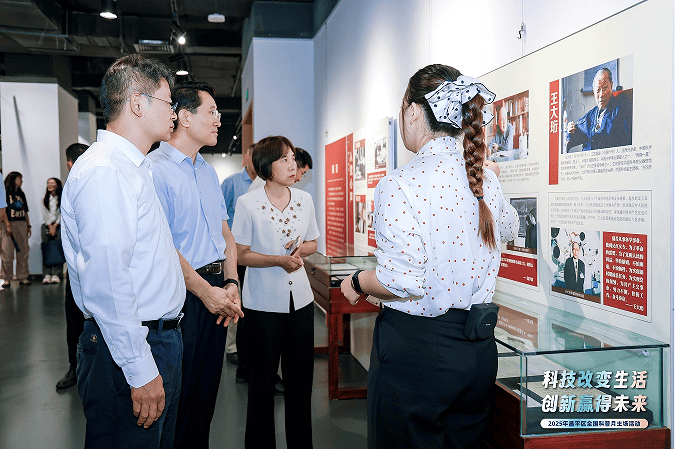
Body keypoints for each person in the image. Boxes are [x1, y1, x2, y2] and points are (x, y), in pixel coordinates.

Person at [61, 54, 242, 449]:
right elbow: (108, 284)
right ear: (137, 104)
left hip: (158, 336)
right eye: (167, 103)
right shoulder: (106, 172)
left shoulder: (133, 168)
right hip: (132, 346)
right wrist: (140, 370)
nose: (173, 113)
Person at [340, 64, 518, 448]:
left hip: (416, 354)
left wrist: (356, 281)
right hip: (478, 351)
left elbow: (400, 283)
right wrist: (495, 180)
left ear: (414, 112)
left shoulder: (400, 183)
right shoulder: (485, 179)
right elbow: (509, 230)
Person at [147, 81, 241, 449]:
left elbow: (225, 235)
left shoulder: (206, 170)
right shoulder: (155, 170)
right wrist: (206, 293)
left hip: (217, 290)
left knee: (206, 394)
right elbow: (164, 247)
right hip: (183, 295)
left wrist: (231, 284)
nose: (219, 120)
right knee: (179, 397)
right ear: (184, 117)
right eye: (212, 112)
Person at [232, 136, 320, 449]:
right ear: (267, 166)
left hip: (301, 303)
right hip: (262, 305)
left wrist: (299, 250)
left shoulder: (304, 200)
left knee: (300, 384)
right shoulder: (248, 203)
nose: (293, 164)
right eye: (284, 159)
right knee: (262, 383)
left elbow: (313, 242)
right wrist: (278, 260)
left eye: (293, 158)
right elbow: (241, 254)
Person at [221, 143, 256, 382]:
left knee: (249, 303)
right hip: (235, 252)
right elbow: (220, 217)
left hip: (254, 252)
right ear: (246, 158)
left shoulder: (263, 183)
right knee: (236, 298)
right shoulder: (232, 183)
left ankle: (244, 353)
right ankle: (232, 349)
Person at [55, 143, 88, 390]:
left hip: (99, 265)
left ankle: (90, 368)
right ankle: (75, 366)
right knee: (75, 319)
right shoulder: (70, 188)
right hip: (77, 268)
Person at [566, 67, 632, 152]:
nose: (601, 95)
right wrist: (571, 130)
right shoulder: (591, 115)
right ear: (594, 91)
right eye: (597, 90)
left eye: (604, 88)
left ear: (611, 85)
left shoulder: (622, 109)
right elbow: (576, 134)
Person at [1, 171, 32, 287]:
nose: (22, 181)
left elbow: (26, 211)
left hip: (21, 224)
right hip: (7, 224)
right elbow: (2, 211)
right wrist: (7, 225)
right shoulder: (4, 193)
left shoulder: (21, 194)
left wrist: (28, 225)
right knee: (7, 252)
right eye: (20, 178)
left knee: (23, 251)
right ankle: (6, 278)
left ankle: (23, 276)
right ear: (13, 179)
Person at [41, 177, 63, 284]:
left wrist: (55, 226)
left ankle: (56, 274)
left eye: (52, 183)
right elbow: (45, 213)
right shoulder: (44, 198)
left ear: (57, 185)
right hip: (46, 226)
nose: (50, 185)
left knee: (58, 248)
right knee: (47, 249)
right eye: (48, 183)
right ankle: (47, 274)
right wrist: (50, 226)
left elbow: (62, 213)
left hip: (58, 225)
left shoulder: (62, 198)